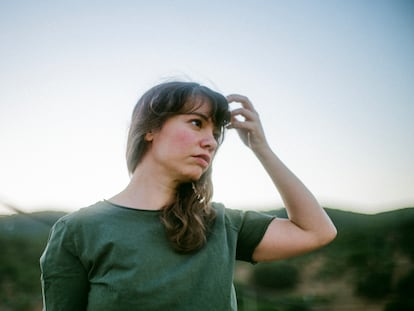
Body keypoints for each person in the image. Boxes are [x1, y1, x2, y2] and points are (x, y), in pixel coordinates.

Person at [40, 81, 337, 311]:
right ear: (151, 130)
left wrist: (261, 148)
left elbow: (316, 232)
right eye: (197, 123)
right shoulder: (77, 231)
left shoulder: (221, 223)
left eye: (217, 133)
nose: (210, 142)